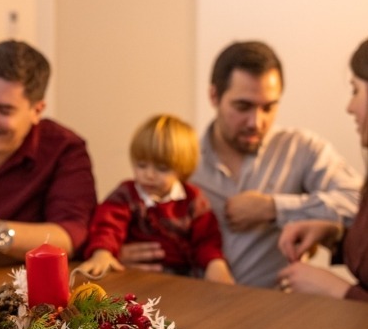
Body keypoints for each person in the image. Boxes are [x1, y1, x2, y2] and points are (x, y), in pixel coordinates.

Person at [122, 41, 362, 288]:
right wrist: (119, 254)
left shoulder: (301, 149)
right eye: (243, 106)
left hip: (272, 310)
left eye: (269, 107)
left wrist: (274, 209)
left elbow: (359, 204)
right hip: (187, 305)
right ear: (214, 96)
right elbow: (126, 212)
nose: (256, 122)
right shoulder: (178, 159)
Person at [0, 40, 97, 271]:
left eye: (3, 110)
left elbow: (71, 236)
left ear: (37, 111)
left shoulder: (64, 148)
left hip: (28, 289)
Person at [78, 114, 233, 284]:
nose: (149, 175)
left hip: (184, 282)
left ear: (181, 169)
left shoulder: (192, 199)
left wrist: (215, 263)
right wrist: (103, 252)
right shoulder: (127, 194)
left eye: (162, 168)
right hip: (135, 277)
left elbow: (206, 238)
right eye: (141, 165)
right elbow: (108, 225)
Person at [277, 39, 368, 301]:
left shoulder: (305, 147)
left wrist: (337, 290)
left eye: (355, 91)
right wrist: (334, 234)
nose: (349, 107)